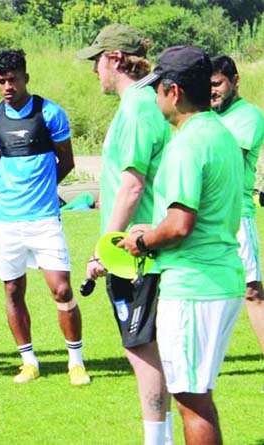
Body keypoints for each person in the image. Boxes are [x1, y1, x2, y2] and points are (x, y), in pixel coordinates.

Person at [120, 46, 245, 445]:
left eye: (157, 88)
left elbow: (179, 226)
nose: (154, 97)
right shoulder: (219, 133)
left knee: (191, 401)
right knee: (198, 395)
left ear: (173, 92)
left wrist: (142, 239)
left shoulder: (185, 145)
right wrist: (154, 228)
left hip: (194, 285)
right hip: (220, 276)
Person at [78, 24, 173, 444]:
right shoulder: (143, 104)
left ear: (115, 59)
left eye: (97, 60)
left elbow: (133, 185)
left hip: (136, 254)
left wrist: (106, 246)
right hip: (140, 250)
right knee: (149, 347)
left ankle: (158, 440)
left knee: (141, 347)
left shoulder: (137, 108)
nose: (94, 70)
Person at [0, 49, 90, 386]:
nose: (7, 86)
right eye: (1, 81)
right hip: (8, 221)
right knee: (12, 289)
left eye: (13, 79)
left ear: (26, 76)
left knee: (61, 290)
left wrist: (44, 189)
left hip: (44, 219)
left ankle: (76, 362)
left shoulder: (50, 113)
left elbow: (66, 161)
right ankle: (28, 361)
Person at [210, 54, 264, 393]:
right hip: (201, 216)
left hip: (237, 215)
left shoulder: (249, 116)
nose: (212, 92)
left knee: (251, 292)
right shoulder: (201, 116)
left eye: (217, 84)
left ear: (235, 80)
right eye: (207, 86)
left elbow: (228, 160)